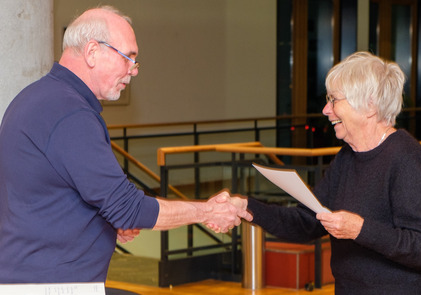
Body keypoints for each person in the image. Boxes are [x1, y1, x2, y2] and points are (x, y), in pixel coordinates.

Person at [0, 6, 251, 284]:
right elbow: (127, 207)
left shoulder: (36, 96)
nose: (133, 71)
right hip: (52, 284)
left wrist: (103, 226)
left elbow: (51, 194)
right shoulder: (70, 113)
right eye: (127, 58)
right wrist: (207, 211)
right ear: (93, 52)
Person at [232, 52, 421, 294]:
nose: (325, 110)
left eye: (334, 100)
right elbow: (307, 222)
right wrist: (247, 208)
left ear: (370, 106)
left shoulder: (407, 159)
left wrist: (361, 230)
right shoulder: (347, 158)